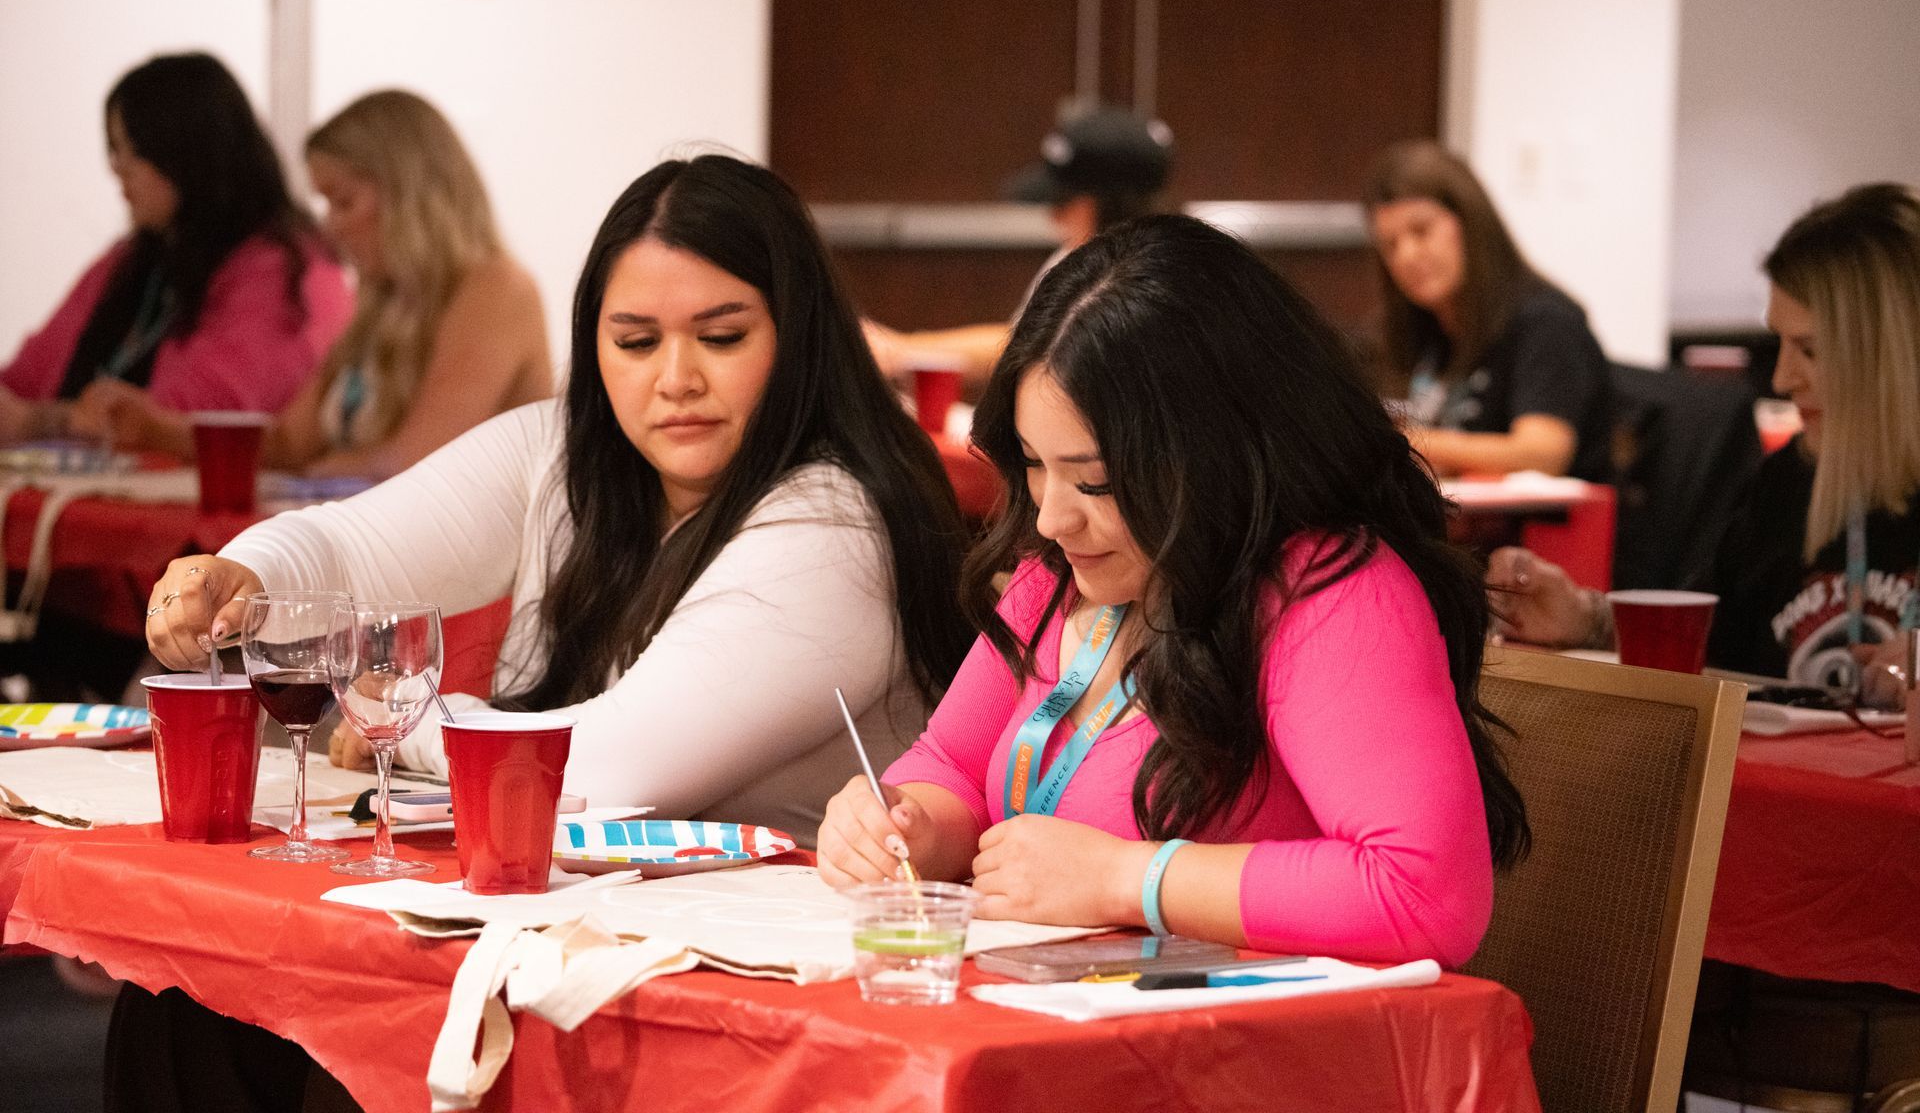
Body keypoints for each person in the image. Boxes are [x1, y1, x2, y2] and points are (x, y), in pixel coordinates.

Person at [144, 154, 973, 844]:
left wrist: (406, 716)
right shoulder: (563, 451)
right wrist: (240, 580)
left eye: (722, 338)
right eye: (636, 342)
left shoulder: (836, 523)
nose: (676, 379)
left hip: (779, 978)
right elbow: (350, 552)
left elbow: (605, 774)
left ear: (800, 340)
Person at [819, 215, 1528, 966]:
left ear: (1215, 454)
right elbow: (953, 763)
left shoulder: (1326, 590)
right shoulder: (1063, 572)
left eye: (1096, 479)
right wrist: (907, 825)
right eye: (1033, 464)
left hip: (1249, 1057)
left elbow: (1425, 894)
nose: (1054, 518)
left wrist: (1127, 878)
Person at [1491, 183, 1920, 704]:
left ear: (1895, 354)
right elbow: (1711, 641)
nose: (1783, 379)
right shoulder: (1787, 483)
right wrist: (1584, 618)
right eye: (1779, 344)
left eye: (1810, 350)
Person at [71, 90, 552, 479]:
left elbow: (412, 464)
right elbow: (286, 443)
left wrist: (308, 476)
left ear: (412, 195)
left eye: (342, 202)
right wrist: (158, 429)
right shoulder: (381, 301)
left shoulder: (497, 291)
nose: (331, 226)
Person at [0, 53, 350, 440]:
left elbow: (196, 418)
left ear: (187, 152)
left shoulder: (286, 268)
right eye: (114, 149)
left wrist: (45, 421)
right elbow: (23, 380)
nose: (117, 168)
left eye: (132, 148)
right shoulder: (132, 259)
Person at [863, 106, 1174, 391]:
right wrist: (903, 348)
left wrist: (902, 350)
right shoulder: (1075, 255)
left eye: (1063, 201)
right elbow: (1020, 342)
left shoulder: (1155, 285)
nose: (1053, 215)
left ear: (1117, 205)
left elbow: (1038, 355)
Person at [1362, 139, 1611, 482]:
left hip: (1543, 530)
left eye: (1421, 231)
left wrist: (1406, 442)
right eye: (1390, 245)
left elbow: (1542, 454)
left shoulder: (1545, 321)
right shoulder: (1422, 331)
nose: (1406, 256)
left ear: (1470, 223)